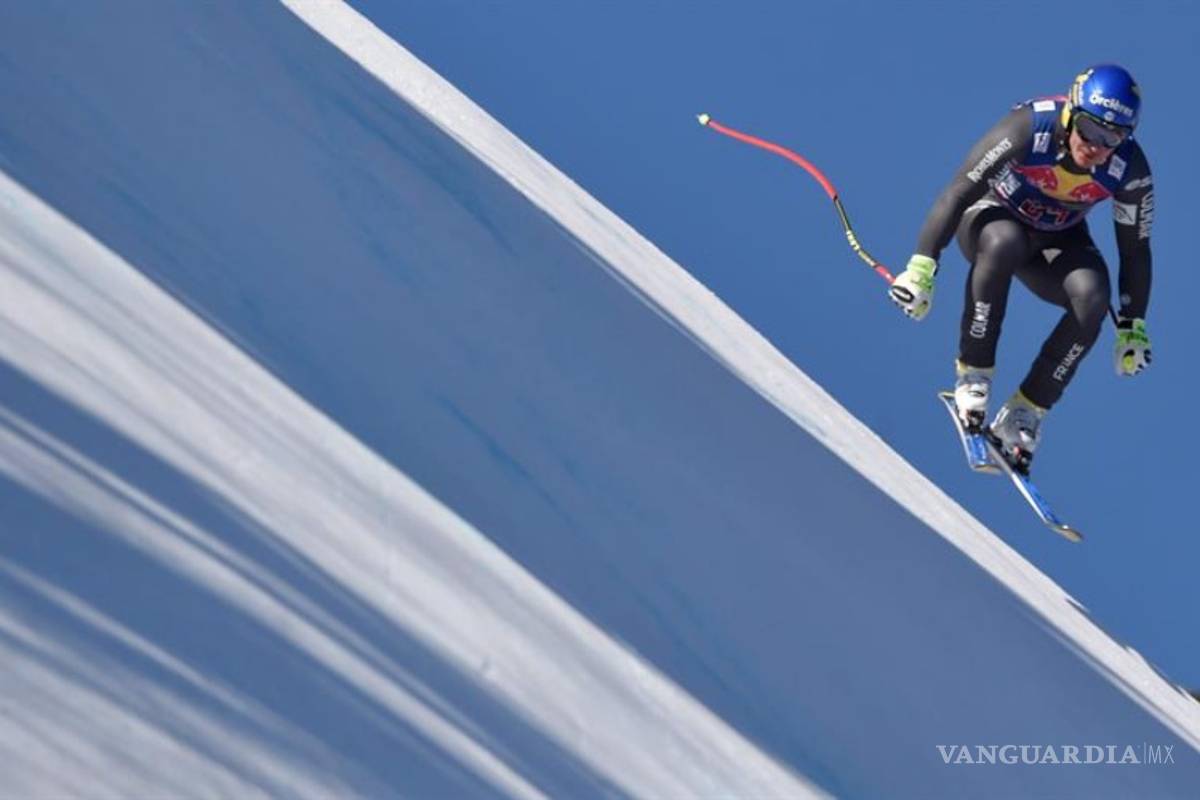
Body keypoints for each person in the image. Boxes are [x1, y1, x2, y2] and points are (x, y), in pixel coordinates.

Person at [888, 64, 1154, 472]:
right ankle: (974, 374)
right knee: (1003, 243)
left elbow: (1134, 249)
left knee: (1093, 297)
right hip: (993, 216)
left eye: (1112, 138)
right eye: (1090, 129)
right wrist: (922, 266)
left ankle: (1026, 411)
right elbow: (960, 190)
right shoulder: (1033, 127)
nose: (1096, 147)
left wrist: (1133, 325)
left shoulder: (1129, 169)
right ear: (1071, 113)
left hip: (1056, 238)